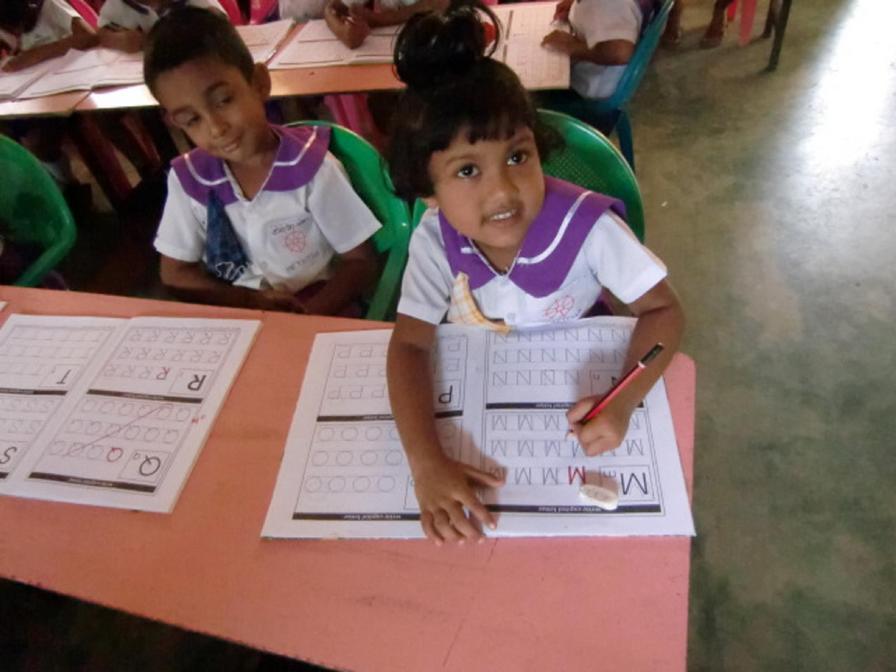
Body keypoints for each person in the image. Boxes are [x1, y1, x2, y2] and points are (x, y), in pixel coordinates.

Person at [385, 5, 684, 544]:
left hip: (574, 406)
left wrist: (624, 400)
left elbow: (664, 311)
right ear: (428, 192)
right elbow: (408, 344)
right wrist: (426, 463)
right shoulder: (434, 237)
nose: (503, 190)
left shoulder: (588, 228)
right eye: (468, 170)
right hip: (487, 404)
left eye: (517, 156)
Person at [144, 6, 382, 314]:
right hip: (238, 308)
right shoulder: (189, 179)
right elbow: (175, 273)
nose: (216, 128)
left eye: (224, 101)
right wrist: (249, 302)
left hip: (317, 304)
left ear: (259, 83)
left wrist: (300, 320)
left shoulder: (311, 168)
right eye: (192, 120)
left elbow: (360, 262)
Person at [541, 0, 643, 100]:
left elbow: (620, 53)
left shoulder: (604, 5)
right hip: (600, 75)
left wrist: (572, 46)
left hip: (596, 86)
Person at [97, 0, 227, 53]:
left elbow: (221, 22)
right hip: (140, 77)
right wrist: (118, 40)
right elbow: (102, 33)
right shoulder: (118, 4)